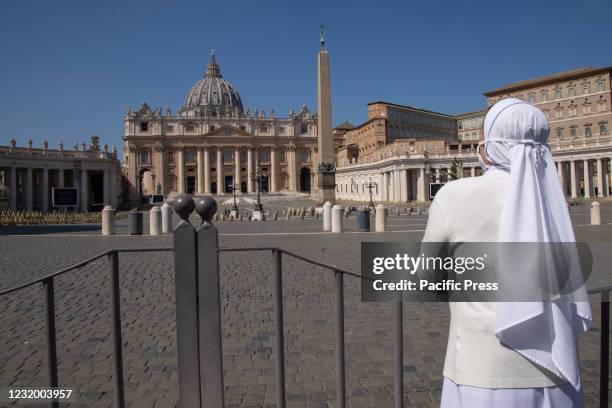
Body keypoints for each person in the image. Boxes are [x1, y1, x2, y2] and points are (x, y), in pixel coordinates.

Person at [422, 98, 592, 407]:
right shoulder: (554, 200)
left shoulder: (454, 196)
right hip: (559, 372)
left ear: (489, 146)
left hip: (481, 371)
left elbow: (428, 279)